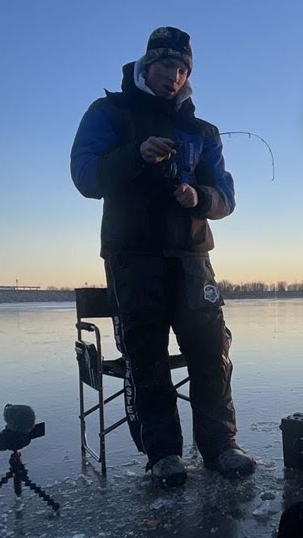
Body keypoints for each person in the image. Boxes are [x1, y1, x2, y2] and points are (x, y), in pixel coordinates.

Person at [70, 26, 254, 488]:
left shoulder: (202, 131)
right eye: (166, 65)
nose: (173, 75)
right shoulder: (108, 112)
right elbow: (86, 176)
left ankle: (221, 446)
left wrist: (199, 198)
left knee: (212, 353)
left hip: (191, 258)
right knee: (146, 354)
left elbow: (226, 197)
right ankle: (164, 455)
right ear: (146, 65)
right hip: (132, 256)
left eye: (182, 68)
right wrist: (137, 154)